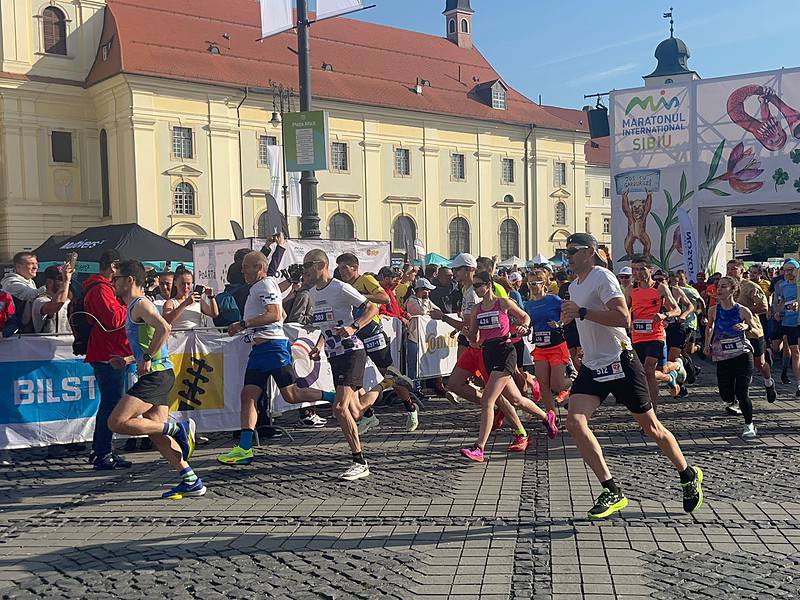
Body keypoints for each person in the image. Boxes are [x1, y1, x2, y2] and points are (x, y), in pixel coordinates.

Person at [561, 233, 703, 519]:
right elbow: (585, 319)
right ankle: (611, 489)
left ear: (591, 251)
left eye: (574, 251)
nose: (569, 256)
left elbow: (622, 318)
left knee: (652, 428)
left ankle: (687, 474)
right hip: (593, 364)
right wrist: (574, 330)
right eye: (566, 252)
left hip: (620, 361)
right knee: (574, 422)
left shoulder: (602, 277)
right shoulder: (574, 286)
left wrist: (584, 312)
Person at [216, 252, 337, 465]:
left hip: (273, 348)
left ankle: (335, 398)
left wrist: (243, 325)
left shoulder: (264, 285)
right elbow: (276, 291)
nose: (242, 271)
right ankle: (244, 448)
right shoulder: (266, 283)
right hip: (260, 350)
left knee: (291, 394)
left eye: (246, 267)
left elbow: (274, 313)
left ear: (259, 268)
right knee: (248, 396)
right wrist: (288, 282)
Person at [104, 260, 203, 499]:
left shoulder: (140, 304)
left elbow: (164, 328)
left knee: (116, 422)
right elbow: (153, 339)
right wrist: (129, 360)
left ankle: (177, 427)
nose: (112, 282)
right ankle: (191, 480)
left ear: (130, 280)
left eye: (116, 278)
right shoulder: (135, 306)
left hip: (156, 375)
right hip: (159, 372)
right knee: (156, 433)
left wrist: (146, 357)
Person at [304, 249, 397, 480]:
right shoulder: (313, 293)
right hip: (334, 354)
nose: (304, 270)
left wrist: (354, 327)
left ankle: (359, 461)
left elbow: (372, 307)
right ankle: (387, 383)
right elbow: (329, 324)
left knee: (339, 409)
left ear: (321, 265)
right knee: (355, 410)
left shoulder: (340, 287)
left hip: (352, 351)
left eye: (307, 265)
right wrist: (318, 344)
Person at [431, 253, 536, 451]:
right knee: (455, 384)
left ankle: (519, 430)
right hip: (474, 346)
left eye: (458, 269)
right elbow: (470, 326)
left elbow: (473, 323)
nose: (455, 273)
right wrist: (464, 329)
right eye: (454, 270)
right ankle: (496, 409)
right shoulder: (467, 290)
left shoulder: (477, 292)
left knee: (501, 395)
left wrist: (444, 318)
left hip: (485, 349)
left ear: (470, 270)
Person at [460, 270, 556, 462]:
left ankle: (479, 447)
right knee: (517, 400)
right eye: (474, 286)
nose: (476, 289)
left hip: (505, 351)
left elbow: (525, 317)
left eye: (479, 285)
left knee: (488, 399)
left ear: (488, 285)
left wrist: (524, 327)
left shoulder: (502, 302)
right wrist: (466, 332)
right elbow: (474, 337)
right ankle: (547, 418)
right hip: (488, 353)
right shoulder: (477, 309)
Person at [336, 255, 417, 433]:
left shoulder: (365, 279)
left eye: (344, 267)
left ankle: (410, 408)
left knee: (390, 373)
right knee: (355, 377)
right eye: (339, 268)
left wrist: (360, 296)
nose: (341, 271)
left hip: (371, 330)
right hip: (355, 335)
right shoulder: (342, 286)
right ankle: (368, 415)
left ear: (354, 267)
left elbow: (384, 299)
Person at [82, 250, 133, 470]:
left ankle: (104, 450)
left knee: (111, 404)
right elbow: (112, 320)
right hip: (107, 354)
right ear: (112, 267)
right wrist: (131, 306)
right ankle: (101, 452)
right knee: (110, 405)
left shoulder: (104, 288)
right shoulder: (101, 289)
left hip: (111, 352)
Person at [704, 276, 759, 438]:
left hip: (742, 354)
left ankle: (749, 424)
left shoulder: (742, 310)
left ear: (733, 290)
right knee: (725, 394)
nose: (719, 290)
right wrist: (707, 344)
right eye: (718, 287)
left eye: (723, 287)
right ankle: (732, 400)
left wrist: (746, 326)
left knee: (742, 392)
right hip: (723, 356)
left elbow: (757, 331)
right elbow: (709, 327)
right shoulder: (713, 310)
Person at [626, 258, 682, 409]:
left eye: (642, 269)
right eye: (635, 269)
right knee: (641, 373)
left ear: (650, 270)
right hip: (637, 336)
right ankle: (645, 404)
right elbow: (625, 310)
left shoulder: (660, 288)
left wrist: (664, 316)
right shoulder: (631, 289)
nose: (638, 273)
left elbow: (677, 309)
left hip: (655, 335)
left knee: (649, 369)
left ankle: (652, 410)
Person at [726, 259, 775, 404]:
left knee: (759, 364)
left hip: (752, 331)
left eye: (734, 269)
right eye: (728, 268)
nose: (730, 271)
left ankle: (768, 382)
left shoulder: (750, 287)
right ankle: (737, 400)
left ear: (742, 271)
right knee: (738, 367)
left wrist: (743, 312)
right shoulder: (725, 287)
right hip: (733, 332)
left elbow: (764, 307)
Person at [524, 269, 571, 414]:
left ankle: (576, 382)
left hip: (556, 345)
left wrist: (560, 323)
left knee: (557, 385)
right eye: (530, 283)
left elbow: (570, 312)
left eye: (535, 283)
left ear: (543, 283)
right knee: (544, 384)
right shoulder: (528, 305)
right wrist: (525, 329)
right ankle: (551, 416)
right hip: (540, 348)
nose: (532, 286)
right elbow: (529, 323)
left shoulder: (553, 300)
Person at [774, 259, 800, 396]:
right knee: (795, 352)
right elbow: (781, 302)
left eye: (791, 270)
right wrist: (778, 312)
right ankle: (799, 384)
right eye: (786, 270)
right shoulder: (783, 286)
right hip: (789, 322)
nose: (789, 273)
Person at [1, 251, 43, 333]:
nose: (35, 267)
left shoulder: (30, 281)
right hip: (12, 333)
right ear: (18, 267)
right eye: (30, 264)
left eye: (36, 263)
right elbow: (31, 295)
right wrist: (55, 286)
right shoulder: (11, 283)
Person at [32, 265, 74, 334]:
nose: (69, 282)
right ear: (49, 282)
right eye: (61, 279)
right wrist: (65, 281)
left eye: (69, 278)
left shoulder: (71, 301)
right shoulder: (40, 301)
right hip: (47, 343)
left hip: (69, 343)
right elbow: (55, 306)